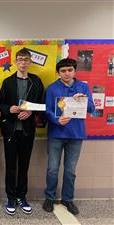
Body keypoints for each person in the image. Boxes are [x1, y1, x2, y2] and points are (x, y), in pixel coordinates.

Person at [42, 58, 95, 215]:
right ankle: (49, 198)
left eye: (70, 70)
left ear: (74, 71)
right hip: (56, 134)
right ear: (58, 73)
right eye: (63, 71)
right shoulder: (51, 89)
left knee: (70, 170)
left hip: (76, 134)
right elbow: (47, 111)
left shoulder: (83, 87)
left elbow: (92, 108)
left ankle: (68, 199)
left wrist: (83, 101)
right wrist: (56, 119)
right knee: (52, 169)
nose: (67, 73)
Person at [0, 48, 44, 215]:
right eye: (20, 59)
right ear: (15, 62)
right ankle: (11, 197)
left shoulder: (36, 81)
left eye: (26, 59)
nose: (23, 62)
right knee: (11, 166)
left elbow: (42, 105)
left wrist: (31, 111)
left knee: (24, 165)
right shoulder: (7, 82)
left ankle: (22, 197)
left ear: (30, 62)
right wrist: (9, 108)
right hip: (10, 131)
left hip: (27, 131)